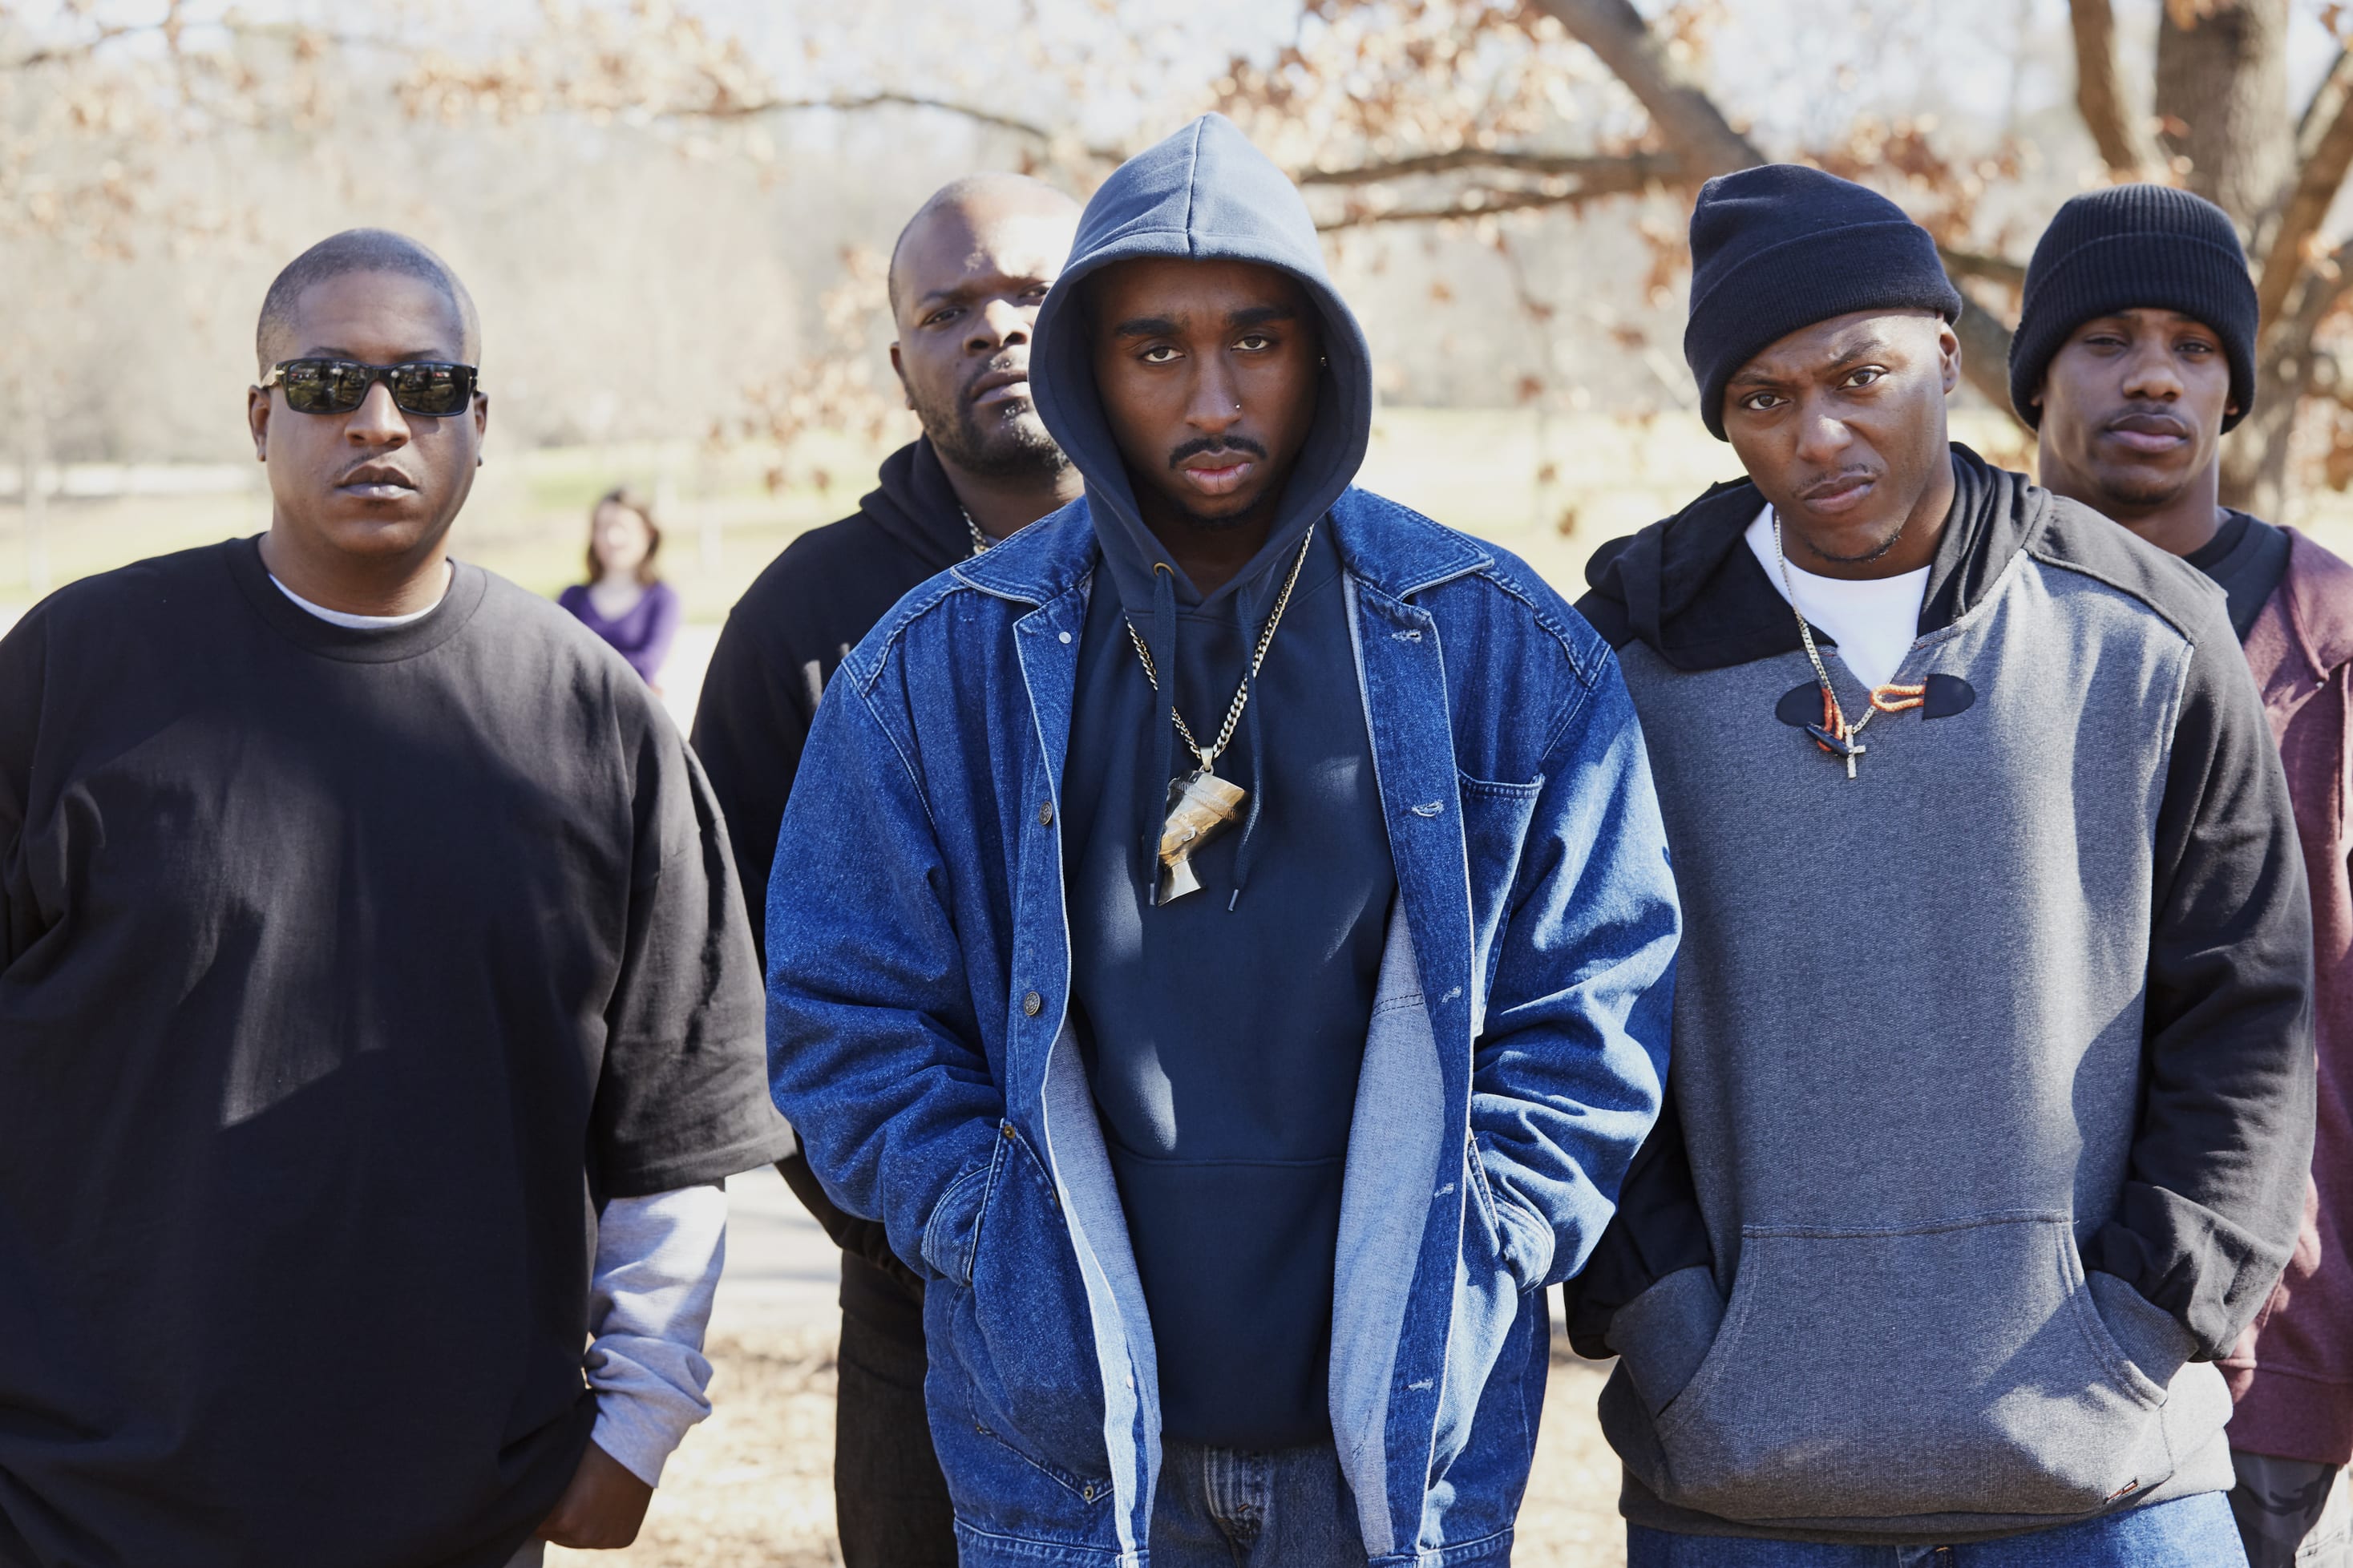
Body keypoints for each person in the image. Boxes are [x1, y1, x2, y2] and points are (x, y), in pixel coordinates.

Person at [766, 113, 1680, 1568]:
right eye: (1154, 350)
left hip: (1392, 1453)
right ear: (1086, 371)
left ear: (1321, 356)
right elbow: (843, 1017)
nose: (1211, 395)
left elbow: (1598, 994)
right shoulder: (932, 673)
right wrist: (988, 1230)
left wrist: (1492, 1229)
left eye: (1255, 340)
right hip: (1070, 1452)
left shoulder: (1496, 648)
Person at [0, 229, 794, 1568]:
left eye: (427, 387)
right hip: (77, 1502)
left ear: (480, 424)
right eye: (326, 384)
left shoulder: (593, 717)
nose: (379, 422)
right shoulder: (77, 670)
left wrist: (636, 1424)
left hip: (455, 1505)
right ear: (261, 418)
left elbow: (674, 1119)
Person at [1570, 165, 2315, 1566]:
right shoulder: (1622, 662)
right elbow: (1572, 1024)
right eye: (1763, 399)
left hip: (2110, 1475)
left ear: (1948, 359)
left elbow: (2245, 1011)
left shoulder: (2149, 632)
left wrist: (2147, 1321)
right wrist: (1670, 1329)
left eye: (1862, 376)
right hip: (1739, 1480)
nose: (1819, 433)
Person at [690, 171, 1082, 1568]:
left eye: (1032, 292)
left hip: (1242, 1312)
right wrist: (907, 1227)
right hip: (924, 1315)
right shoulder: (805, 622)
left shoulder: (1236, 573)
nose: (996, 330)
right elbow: (731, 980)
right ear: (901, 361)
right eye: (948, 310)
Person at [2016, 183, 2353, 1568]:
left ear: (2230, 387)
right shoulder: (1947, 619)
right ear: (2034, 379)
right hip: (1979, 1328)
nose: (2152, 374)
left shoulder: (2325, 635)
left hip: (2262, 1335)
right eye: (2105, 339)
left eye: (2192, 346)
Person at [560, 487, 681, 687]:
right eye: (603, 527)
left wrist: (581, 668)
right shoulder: (572, 598)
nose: (612, 538)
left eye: (622, 527)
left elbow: (647, 666)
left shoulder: (662, 599)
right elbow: (553, 660)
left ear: (648, 533)